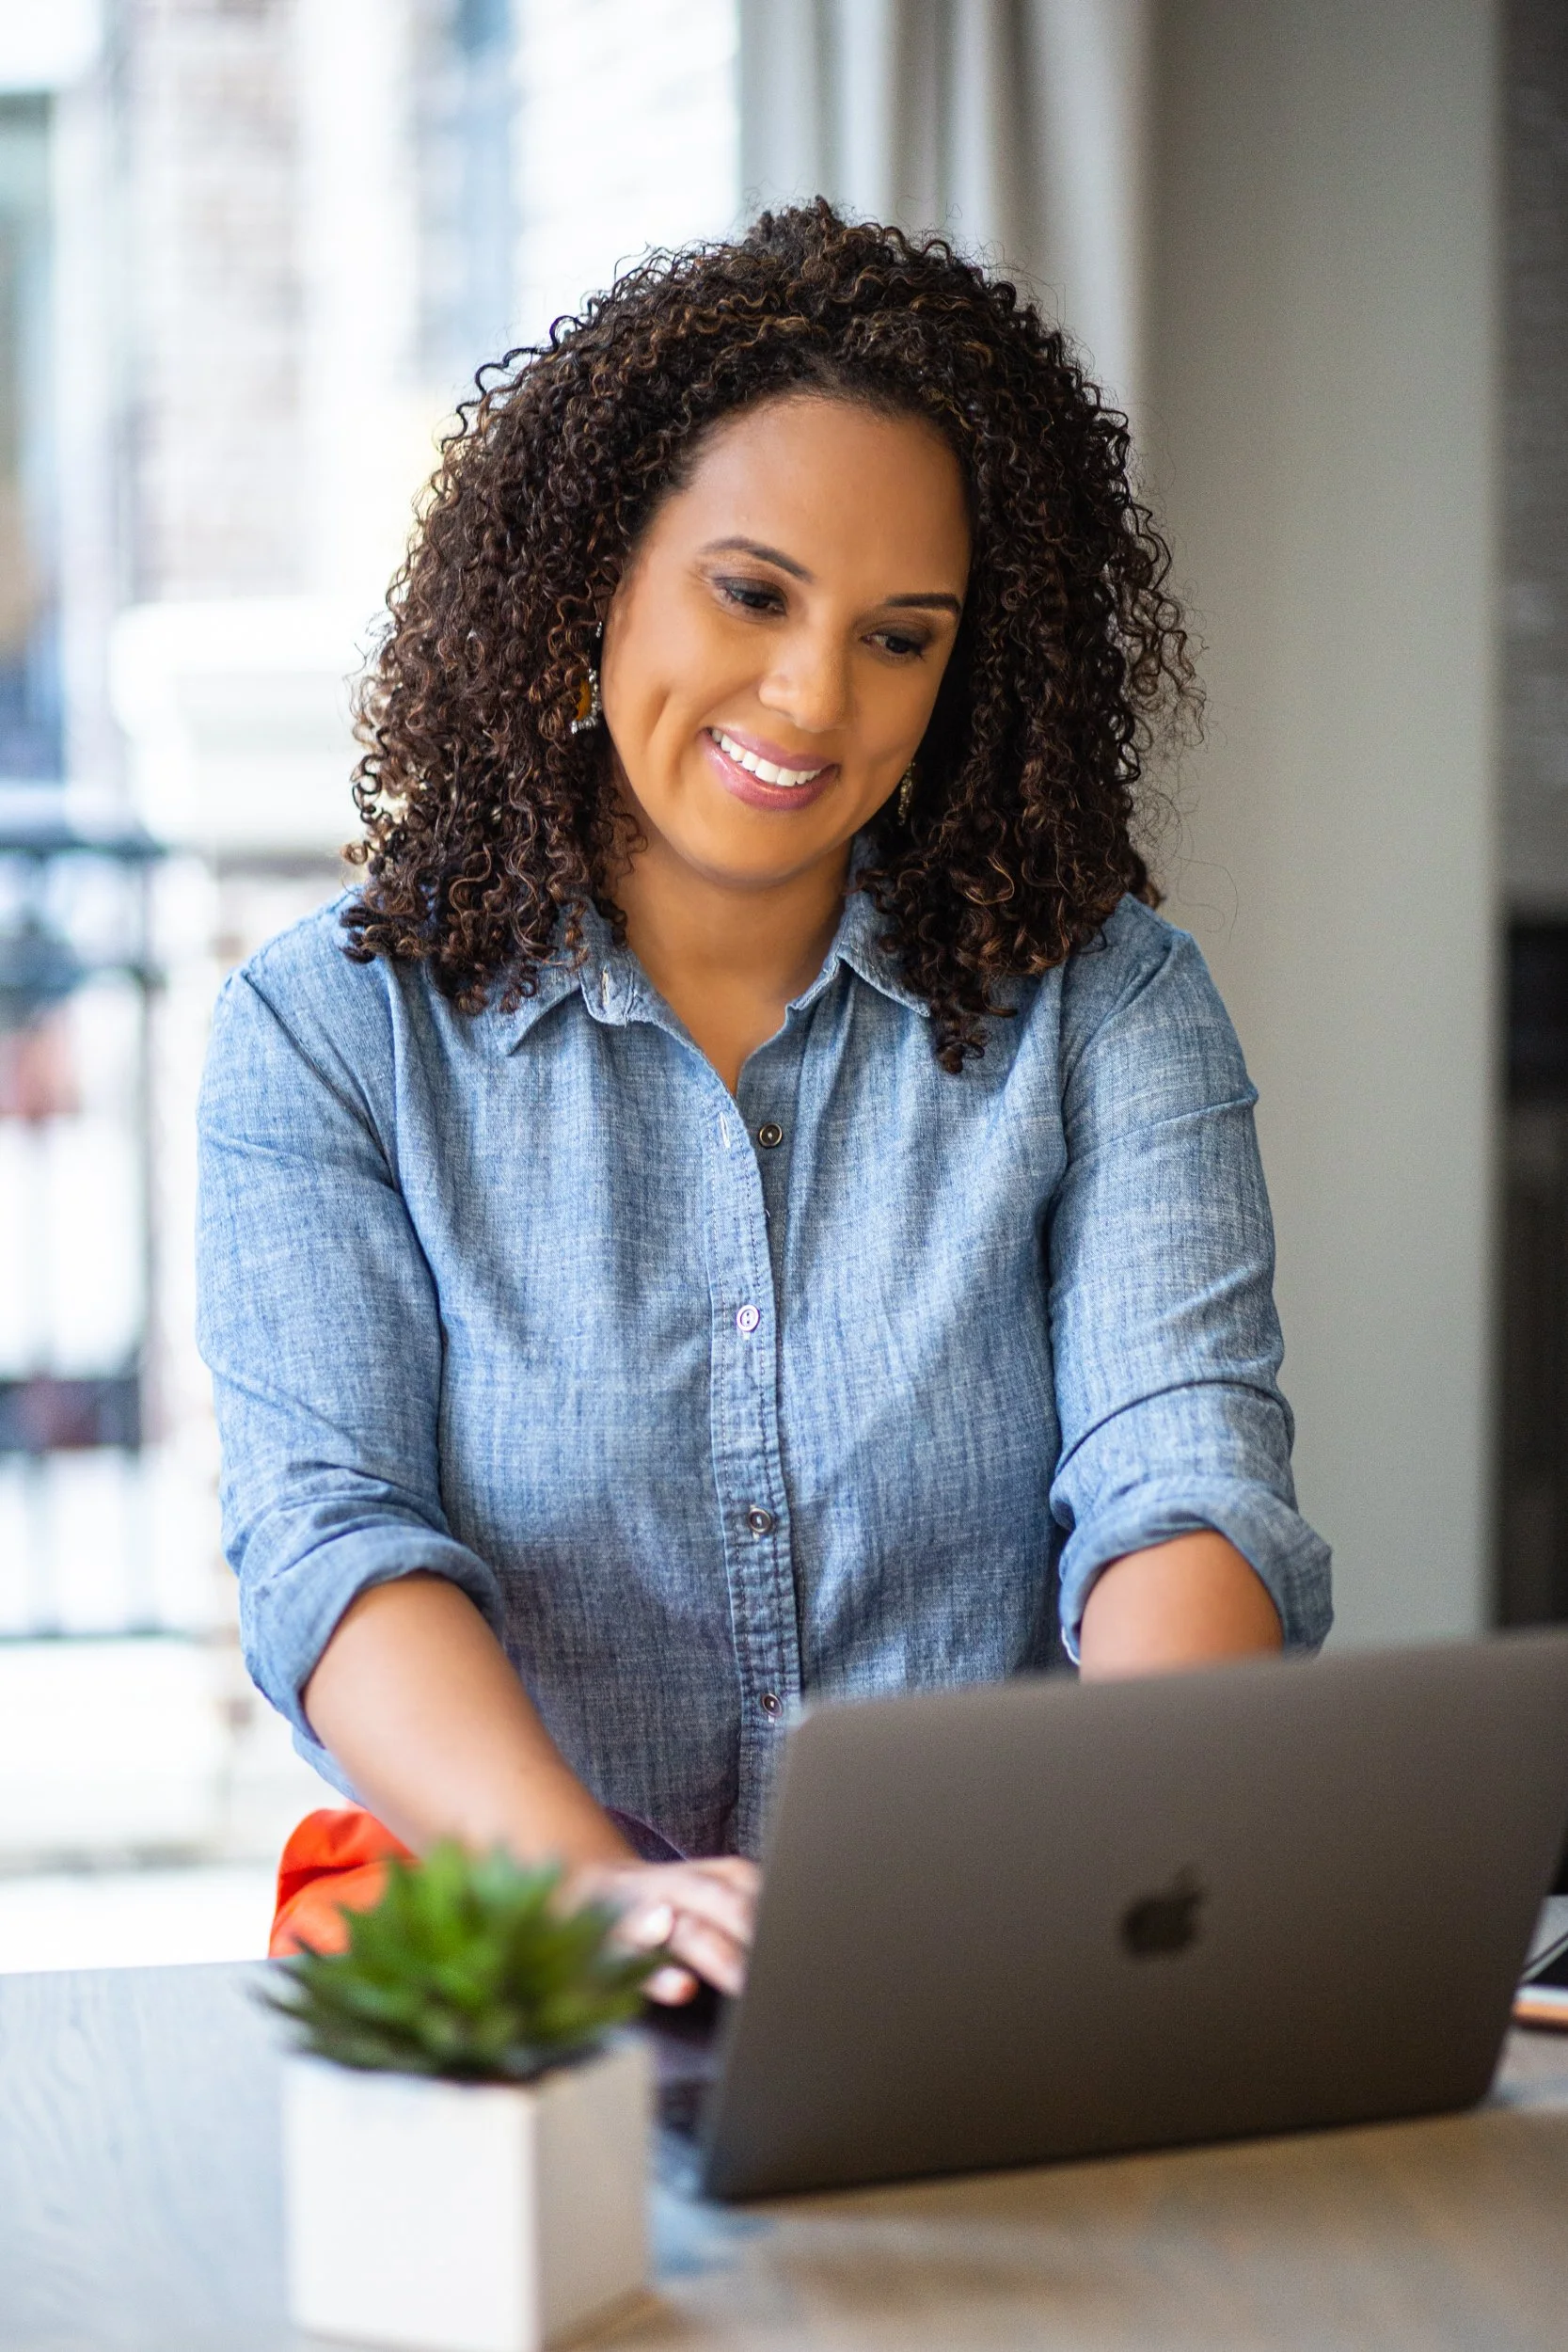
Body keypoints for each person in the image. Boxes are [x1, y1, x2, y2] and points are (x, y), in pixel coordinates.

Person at [198, 202, 1331, 2005]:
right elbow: (334, 1542)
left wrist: (1117, 1853)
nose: (813, 699)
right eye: (751, 594)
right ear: (592, 572)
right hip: (516, 1968)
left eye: (901, 636)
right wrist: (602, 1899)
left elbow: (1180, 1484)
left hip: (989, 1961)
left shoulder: (1111, 1009)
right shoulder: (327, 1033)